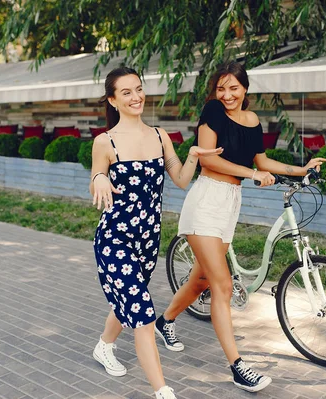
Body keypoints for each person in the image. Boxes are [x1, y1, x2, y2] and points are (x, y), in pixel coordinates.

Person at [154, 61, 326, 393]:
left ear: (245, 88)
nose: (227, 94)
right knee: (221, 285)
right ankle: (237, 367)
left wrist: (299, 168)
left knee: (200, 279)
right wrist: (252, 175)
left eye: (233, 87)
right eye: (221, 88)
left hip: (230, 203)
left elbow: (262, 162)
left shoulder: (252, 121)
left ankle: (165, 321)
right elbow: (206, 158)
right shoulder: (213, 111)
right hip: (205, 201)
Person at [89, 67, 223, 399]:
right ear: (113, 100)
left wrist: (191, 155)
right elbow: (96, 176)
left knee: (128, 304)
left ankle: (104, 346)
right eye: (126, 93)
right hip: (114, 240)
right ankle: (163, 391)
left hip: (147, 241)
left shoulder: (161, 136)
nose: (136, 97)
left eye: (138, 89)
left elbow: (179, 178)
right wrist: (100, 179)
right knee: (144, 315)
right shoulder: (104, 142)